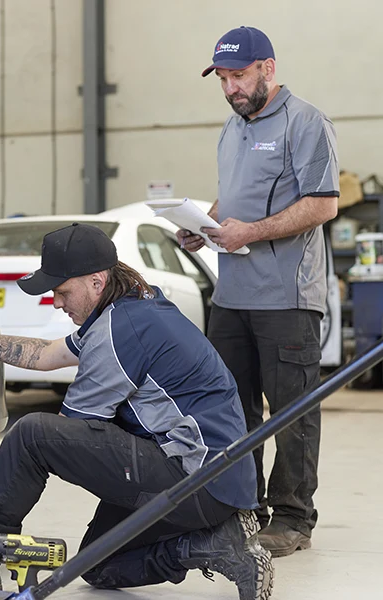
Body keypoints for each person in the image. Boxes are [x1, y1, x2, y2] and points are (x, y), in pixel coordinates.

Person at [0, 223, 273, 599]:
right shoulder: (130, 305)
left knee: (33, 433)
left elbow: (55, 437)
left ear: (96, 281)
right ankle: (213, 546)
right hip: (213, 483)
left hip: (195, 478)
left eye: (62, 292)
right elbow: (47, 354)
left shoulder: (119, 330)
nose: (56, 302)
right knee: (98, 567)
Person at [177, 26, 339, 558]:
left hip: (286, 299)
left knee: (292, 411)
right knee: (228, 408)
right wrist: (204, 223)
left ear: (267, 68)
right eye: (222, 78)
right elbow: (235, 200)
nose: (229, 88)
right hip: (233, 295)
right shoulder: (232, 128)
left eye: (238, 75)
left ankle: (293, 518)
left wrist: (251, 231)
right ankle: (243, 508)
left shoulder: (305, 122)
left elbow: (321, 204)